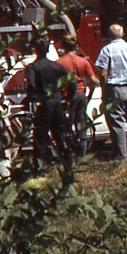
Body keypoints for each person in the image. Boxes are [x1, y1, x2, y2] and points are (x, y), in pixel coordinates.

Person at [93, 23, 127, 160]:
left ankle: (121, 156)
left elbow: (103, 73)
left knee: (117, 123)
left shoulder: (106, 50)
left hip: (115, 87)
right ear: (122, 34)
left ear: (109, 35)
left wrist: (104, 91)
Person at [25, 34, 72, 163]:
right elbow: (71, 79)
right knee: (61, 136)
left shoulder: (32, 67)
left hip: (43, 104)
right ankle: (68, 165)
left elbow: (32, 85)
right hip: (57, 103)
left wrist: (33, 99)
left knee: (40, 138)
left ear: (35, 50)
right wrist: (68, 96)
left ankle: (40, 166)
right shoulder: (57, 66)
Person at [56, 34, 98, 156]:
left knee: (66, 124)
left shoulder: (59, 62)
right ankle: (81, 153)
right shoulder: (83, 61)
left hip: (66, 96)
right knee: (81, 124)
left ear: (63, 46)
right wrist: (89, 94)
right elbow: (93, 80)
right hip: (81, 93)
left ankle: (67, 152)